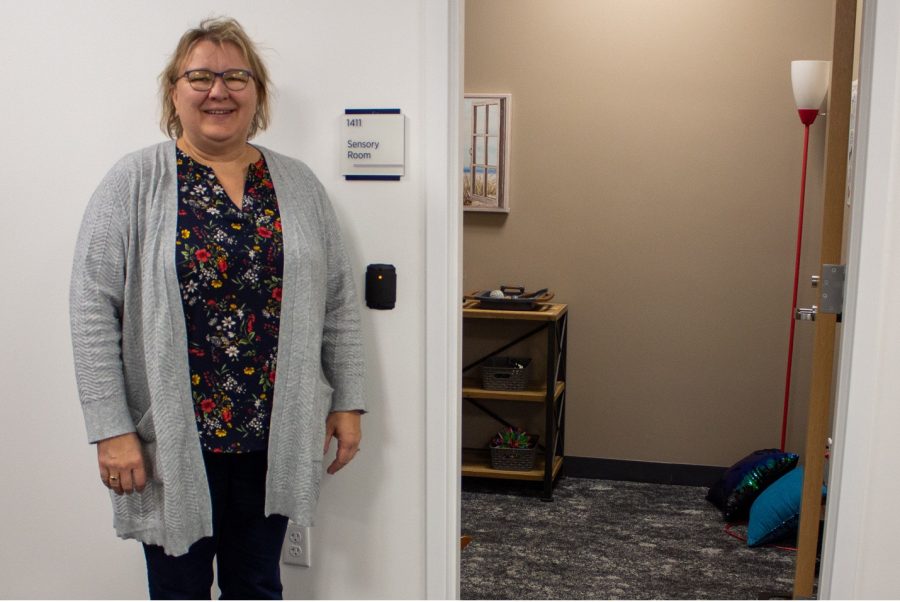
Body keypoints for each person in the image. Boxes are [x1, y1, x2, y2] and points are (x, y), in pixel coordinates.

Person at [69, 17, 366, 599]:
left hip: (271, 435)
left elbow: (338, 303)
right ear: (173, 91)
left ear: (256, 93)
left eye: (236, 77)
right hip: (172, 439)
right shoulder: (134, 182)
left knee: (257, 583)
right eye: (200, 76)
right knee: (177, 587)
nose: (218, 91)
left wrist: (349, 399)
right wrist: (111, 429)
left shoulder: (298, 185)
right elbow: (90, 308)